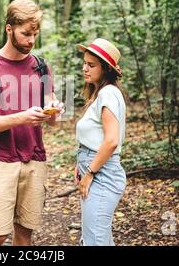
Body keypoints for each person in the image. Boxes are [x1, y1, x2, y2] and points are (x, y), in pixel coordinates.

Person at [0, 0, 65, 246]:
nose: (31, 40)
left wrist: (54, 111)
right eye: (25, 34)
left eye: (35, 34)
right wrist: (21, 117)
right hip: (1, 159)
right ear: (9, 28)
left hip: (35, 158)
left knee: (25, 235)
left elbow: (53, 121)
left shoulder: (41, 67)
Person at [74, 38, 127, 246]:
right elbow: (94, 138)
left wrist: (90, 173)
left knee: (94, 241)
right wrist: (80, 165)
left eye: (91, 65)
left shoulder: (108, 93)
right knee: (98, 239)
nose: (85, 68)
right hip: (94, 168)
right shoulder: (100, 94)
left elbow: (111, 140)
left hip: (102, 174)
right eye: (84, 63)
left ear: (106, 69)